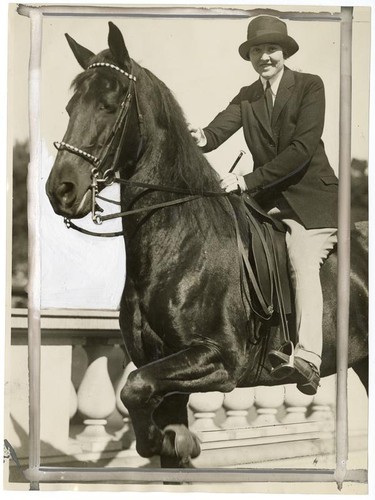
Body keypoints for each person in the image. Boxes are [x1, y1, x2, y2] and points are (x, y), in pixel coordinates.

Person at [190, 15, 338, 395]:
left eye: (271, 49)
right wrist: (199, 136)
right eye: (257, 50)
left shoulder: (309, 86)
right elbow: (216, 131)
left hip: (312, 200)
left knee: (301, 260)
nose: (264, 56)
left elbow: (302, 151)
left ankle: (308, 358)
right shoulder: (247, 96)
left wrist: (245, 180)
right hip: (267, 202)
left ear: (284, 52)